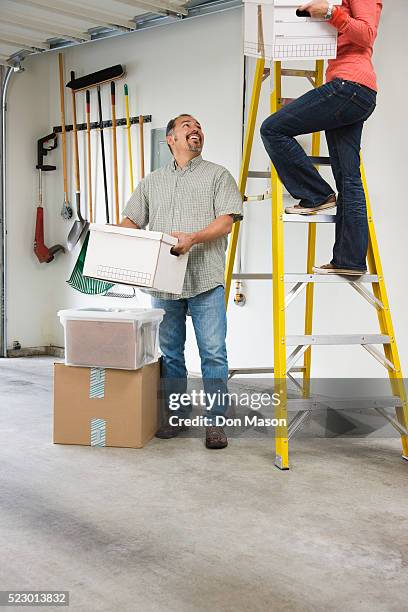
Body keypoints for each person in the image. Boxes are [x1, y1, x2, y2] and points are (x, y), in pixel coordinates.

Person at [120, 114, 243, 449]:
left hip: (205, 279)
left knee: (213, 354)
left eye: (199, 126)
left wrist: (194, 238)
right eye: (187, 125)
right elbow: (131, 220)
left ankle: (216, 424)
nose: (196, 129)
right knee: (171, 353)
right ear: (171, 138)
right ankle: (176, 417)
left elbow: (226, 222)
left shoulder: (218, 175)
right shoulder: (151, 182)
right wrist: (110, 243)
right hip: (164, 283)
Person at [260, 0, 382, 275]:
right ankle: (349, 260)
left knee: (272, 129)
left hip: (350, 86)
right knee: (348, 177)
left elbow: (366, 34)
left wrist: (330, 13)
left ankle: (316, 195)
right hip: (349, 89)